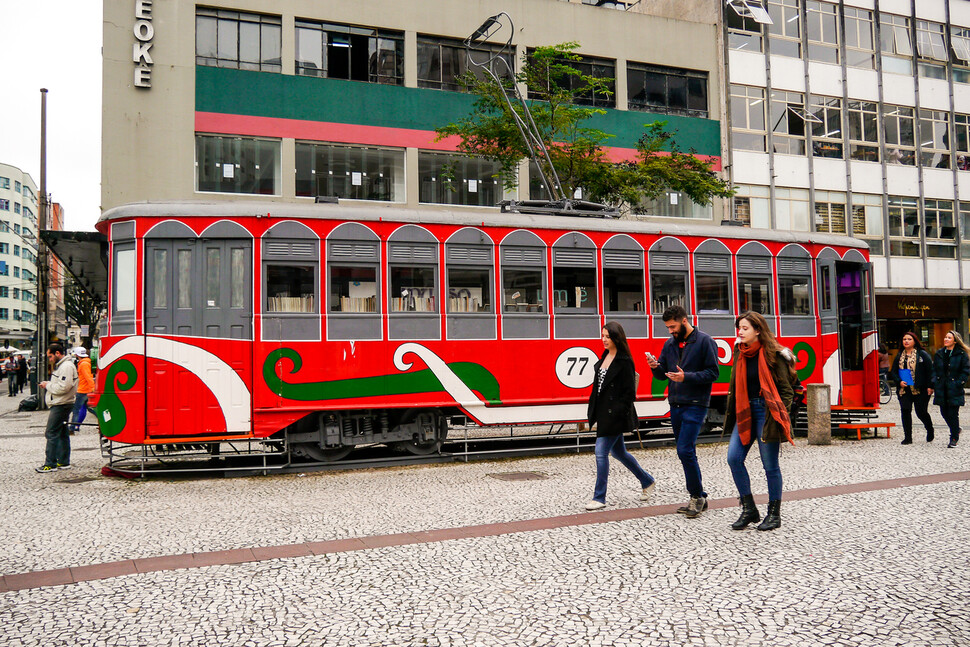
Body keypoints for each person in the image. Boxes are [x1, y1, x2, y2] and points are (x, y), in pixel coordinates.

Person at [646, 304, 719, 518]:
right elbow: (663, 375)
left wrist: (687, 377)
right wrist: (655, 367)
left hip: (696, 403)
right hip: (676, 403)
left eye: (673, 326)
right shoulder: (670, 344)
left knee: (684, 450)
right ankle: (699, 496)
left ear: (684, 320)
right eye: (668, 327)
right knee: (686, 451)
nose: (670, 331)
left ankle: (697, 496)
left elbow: (713, 373)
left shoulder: (705, 341)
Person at [723, 311, 794, 532]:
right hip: (745, 410)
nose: (740, 332)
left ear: (757, 330)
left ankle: (774, 514)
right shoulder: (740, 352)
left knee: (770, 465)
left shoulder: (774, 354)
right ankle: (749, 509)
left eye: (745, 328)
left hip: (766, 411)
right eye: (739, 328)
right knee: (734, 458)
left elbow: (787, 391)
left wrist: (778, 415)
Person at [585, 322, 655, 510]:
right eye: (602, 336)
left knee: (601, 453)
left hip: (615, 416)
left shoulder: (624, 361)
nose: (604, 340)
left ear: (617, 338)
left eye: (608, 336)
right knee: (619, 453)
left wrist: (617, 413)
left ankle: (599, 497)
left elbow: (629, 393)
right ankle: (647, 480)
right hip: (603, 412)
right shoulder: (605, 356)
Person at [35, 343, 78, 474]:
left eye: (50, 356)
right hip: (63, 402)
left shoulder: (66, 367)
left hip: (61, 403)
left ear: (57, 353)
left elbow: (64, 387)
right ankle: (64, 461)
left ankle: (50, 463)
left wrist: (48, 385)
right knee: (62, 432)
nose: (50, 359)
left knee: (51, 432)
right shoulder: (63, 366)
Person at [889, 331, 935, 445]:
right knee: (905, 410)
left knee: (921, 412)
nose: (906, 341)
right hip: (905, 389)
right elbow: (894, 372)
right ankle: (908, 437)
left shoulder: (922, 354)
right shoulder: (900, 355)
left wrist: (931, 386)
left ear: (914, 341)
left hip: (920, 388)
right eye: (904, 339)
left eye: (909, 339)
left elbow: (930, 371)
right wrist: (899, 382)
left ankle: (929, 428)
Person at [932, 330, 970, 449]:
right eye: (945, 337)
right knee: (944, 412)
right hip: (942, 388)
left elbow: (965, 370)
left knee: (953, 414)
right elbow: (934, 369)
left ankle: (954, 438)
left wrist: (959, 382)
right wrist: (935, 381)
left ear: (955, 340)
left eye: (949, 337)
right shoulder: (939, 353)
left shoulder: (961, 354)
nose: (946, 339)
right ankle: (956, 429)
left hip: (954, 388)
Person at [69, 347, 95, 434]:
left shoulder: (83, 364)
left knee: (76, 410)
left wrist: (92, 388)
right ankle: (76, 426)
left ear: (77, 355)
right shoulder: (86, 363)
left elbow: (88, 377)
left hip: (83, 390)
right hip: (86, 389)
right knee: (90, 409)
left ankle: (72, 428)